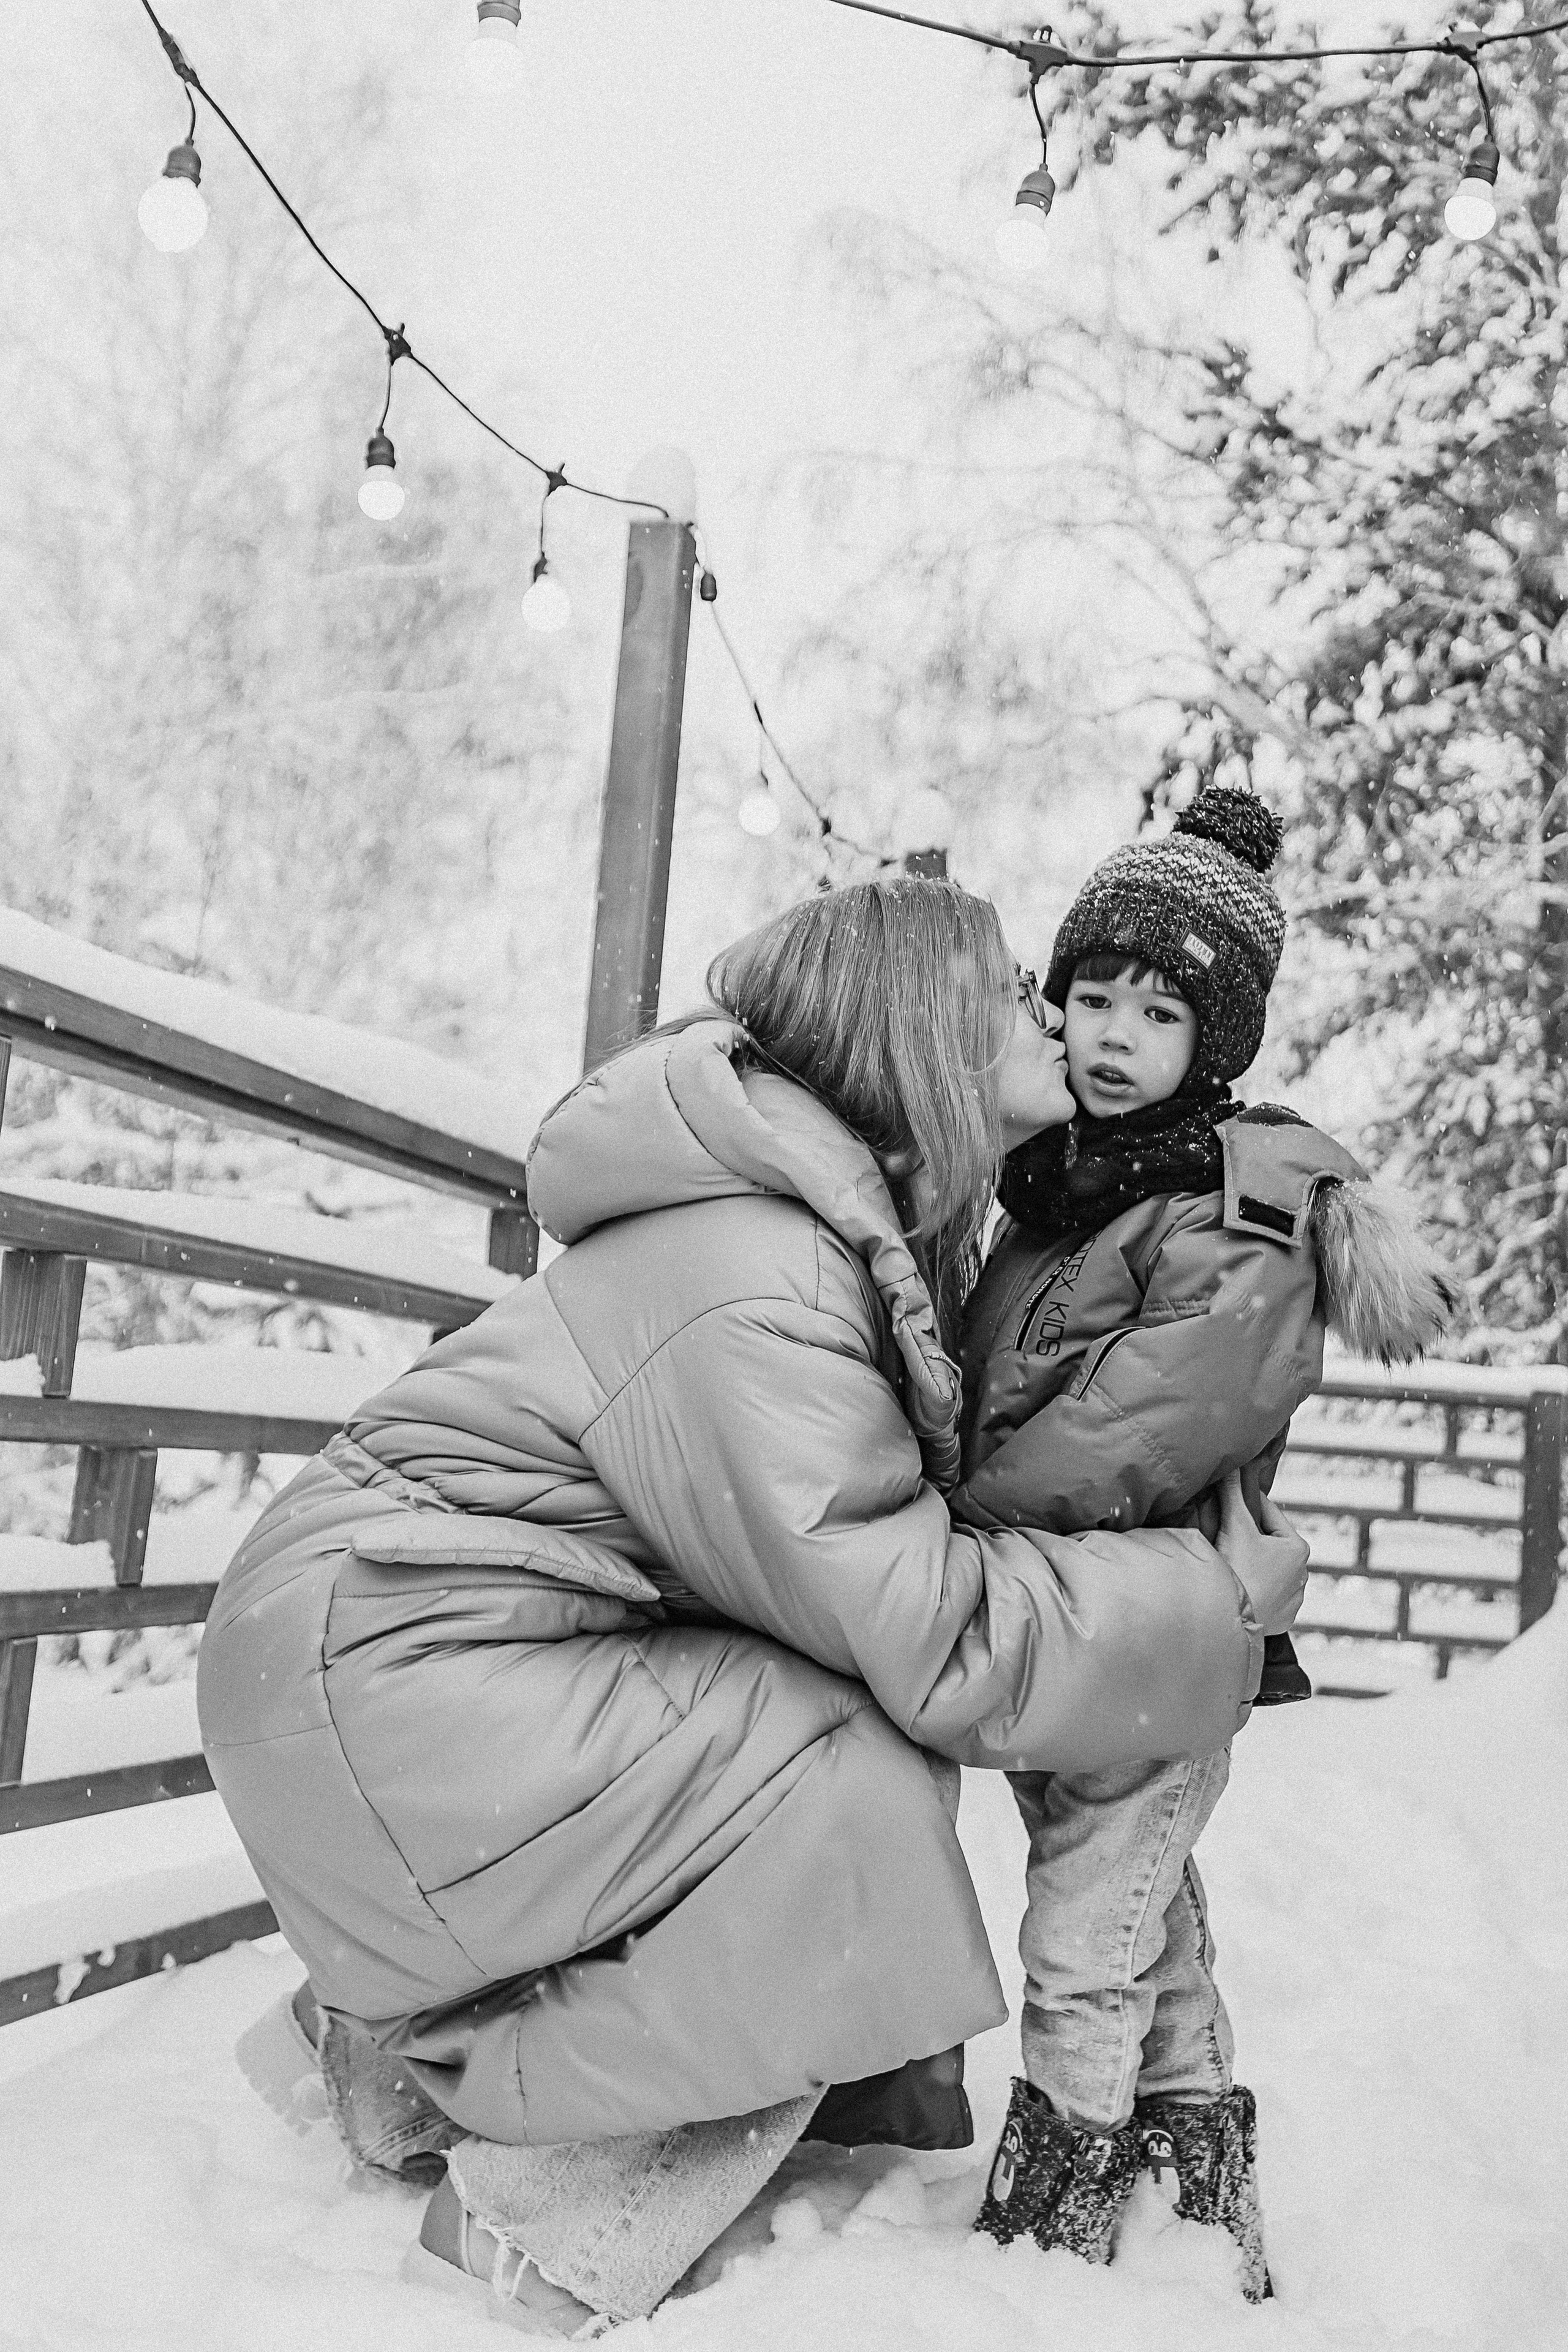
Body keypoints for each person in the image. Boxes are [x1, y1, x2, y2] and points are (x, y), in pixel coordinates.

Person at [198, 876, 1310, 2337]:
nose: (1047, 1015)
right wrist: (1205, 1603)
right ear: (915, 1038)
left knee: (802, 1728)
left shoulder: (810, 1221)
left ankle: (378, 2064)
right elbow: (929, 1635)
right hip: (394, 1676)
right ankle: (547, 2218)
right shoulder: (762, 1268)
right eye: (1005, 995)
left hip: (390, 1664)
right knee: (845, 1785)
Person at [953, 787, 1449, 2296]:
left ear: (1211, 1043)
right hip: (1081, 1627)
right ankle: (1192, 2186)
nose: (1109, 1033)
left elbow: (1143, 1424)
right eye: (1089, 995)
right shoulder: (1061, 1191)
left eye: (1154, 1011)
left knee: (1082, 1933)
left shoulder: (1229, 1208)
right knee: (1137, 1908)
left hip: (1152, 1623)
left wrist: (960, 1521)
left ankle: (1057, 2227)